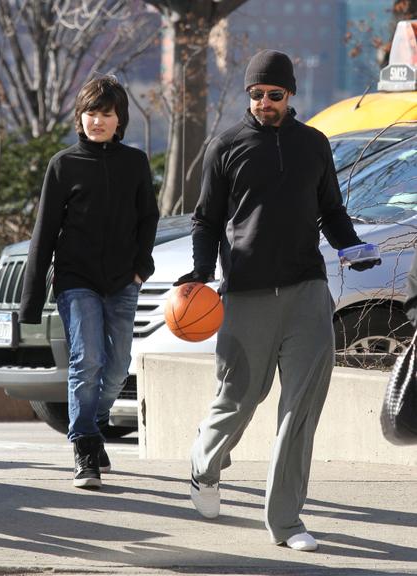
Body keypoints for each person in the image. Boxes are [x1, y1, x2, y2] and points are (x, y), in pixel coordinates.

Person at [175, 50, 380, 551]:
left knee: (301, 408)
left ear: (291, 95)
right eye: (256, 94)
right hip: (245, 293)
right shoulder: (226, 146)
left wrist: (352, 247)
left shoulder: (314, 145)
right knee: (241, 398)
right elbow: (205, 219)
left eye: (275, 94)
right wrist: (202, 273)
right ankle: (205, 462)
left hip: (308, 290)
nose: (264, 102)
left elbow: (331, 210)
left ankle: (286, 522)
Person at [19, 75, 159, 489]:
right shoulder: (63, 165)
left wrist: (140, 268)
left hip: (122, 280)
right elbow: (44, 232)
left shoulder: (134, 163)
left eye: (106, 114)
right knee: (88, 359)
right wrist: (30, 300)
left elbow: (148, 217)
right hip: (76, 279)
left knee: (117, 367)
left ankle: (94, 425)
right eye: (90, 113)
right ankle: (83, 447)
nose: (97, 121)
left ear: (120, 120)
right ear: (80, 118)